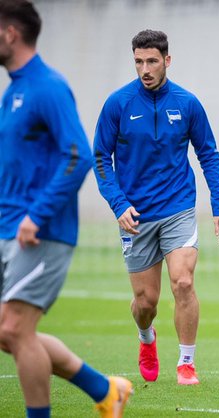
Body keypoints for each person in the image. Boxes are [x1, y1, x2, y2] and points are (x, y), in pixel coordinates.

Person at [0, 1, 132, 417]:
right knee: (11, 334)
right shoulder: (15, 90)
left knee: (14, 329)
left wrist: (37, 215)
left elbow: (78, 156)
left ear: (9, 33)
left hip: (40, 232)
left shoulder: (47, 87)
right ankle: (106, 391)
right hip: (10, 227)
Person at [93, 29, 219, 386]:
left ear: (167, 61)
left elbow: (209, 156)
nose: (145, 69)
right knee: (145, 302)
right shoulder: (118, 104)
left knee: (183, 282)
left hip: (178, 207)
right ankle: (146, 338)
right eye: (138, 62)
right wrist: (118, 203)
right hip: (135, 215)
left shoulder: (187, 104)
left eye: (152, 61)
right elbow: (100, 159)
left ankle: (186, 362)